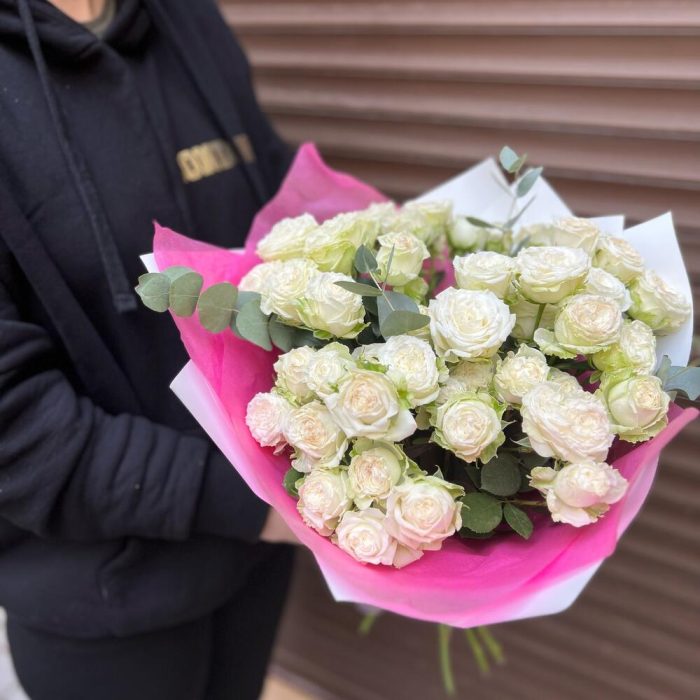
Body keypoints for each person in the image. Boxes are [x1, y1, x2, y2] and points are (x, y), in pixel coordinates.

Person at [0, 0, 299, 697]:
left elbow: (273, 193)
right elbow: (15, 429)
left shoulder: (187, 19)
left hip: (258, 551)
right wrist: (257, 501)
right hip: (105, 596)